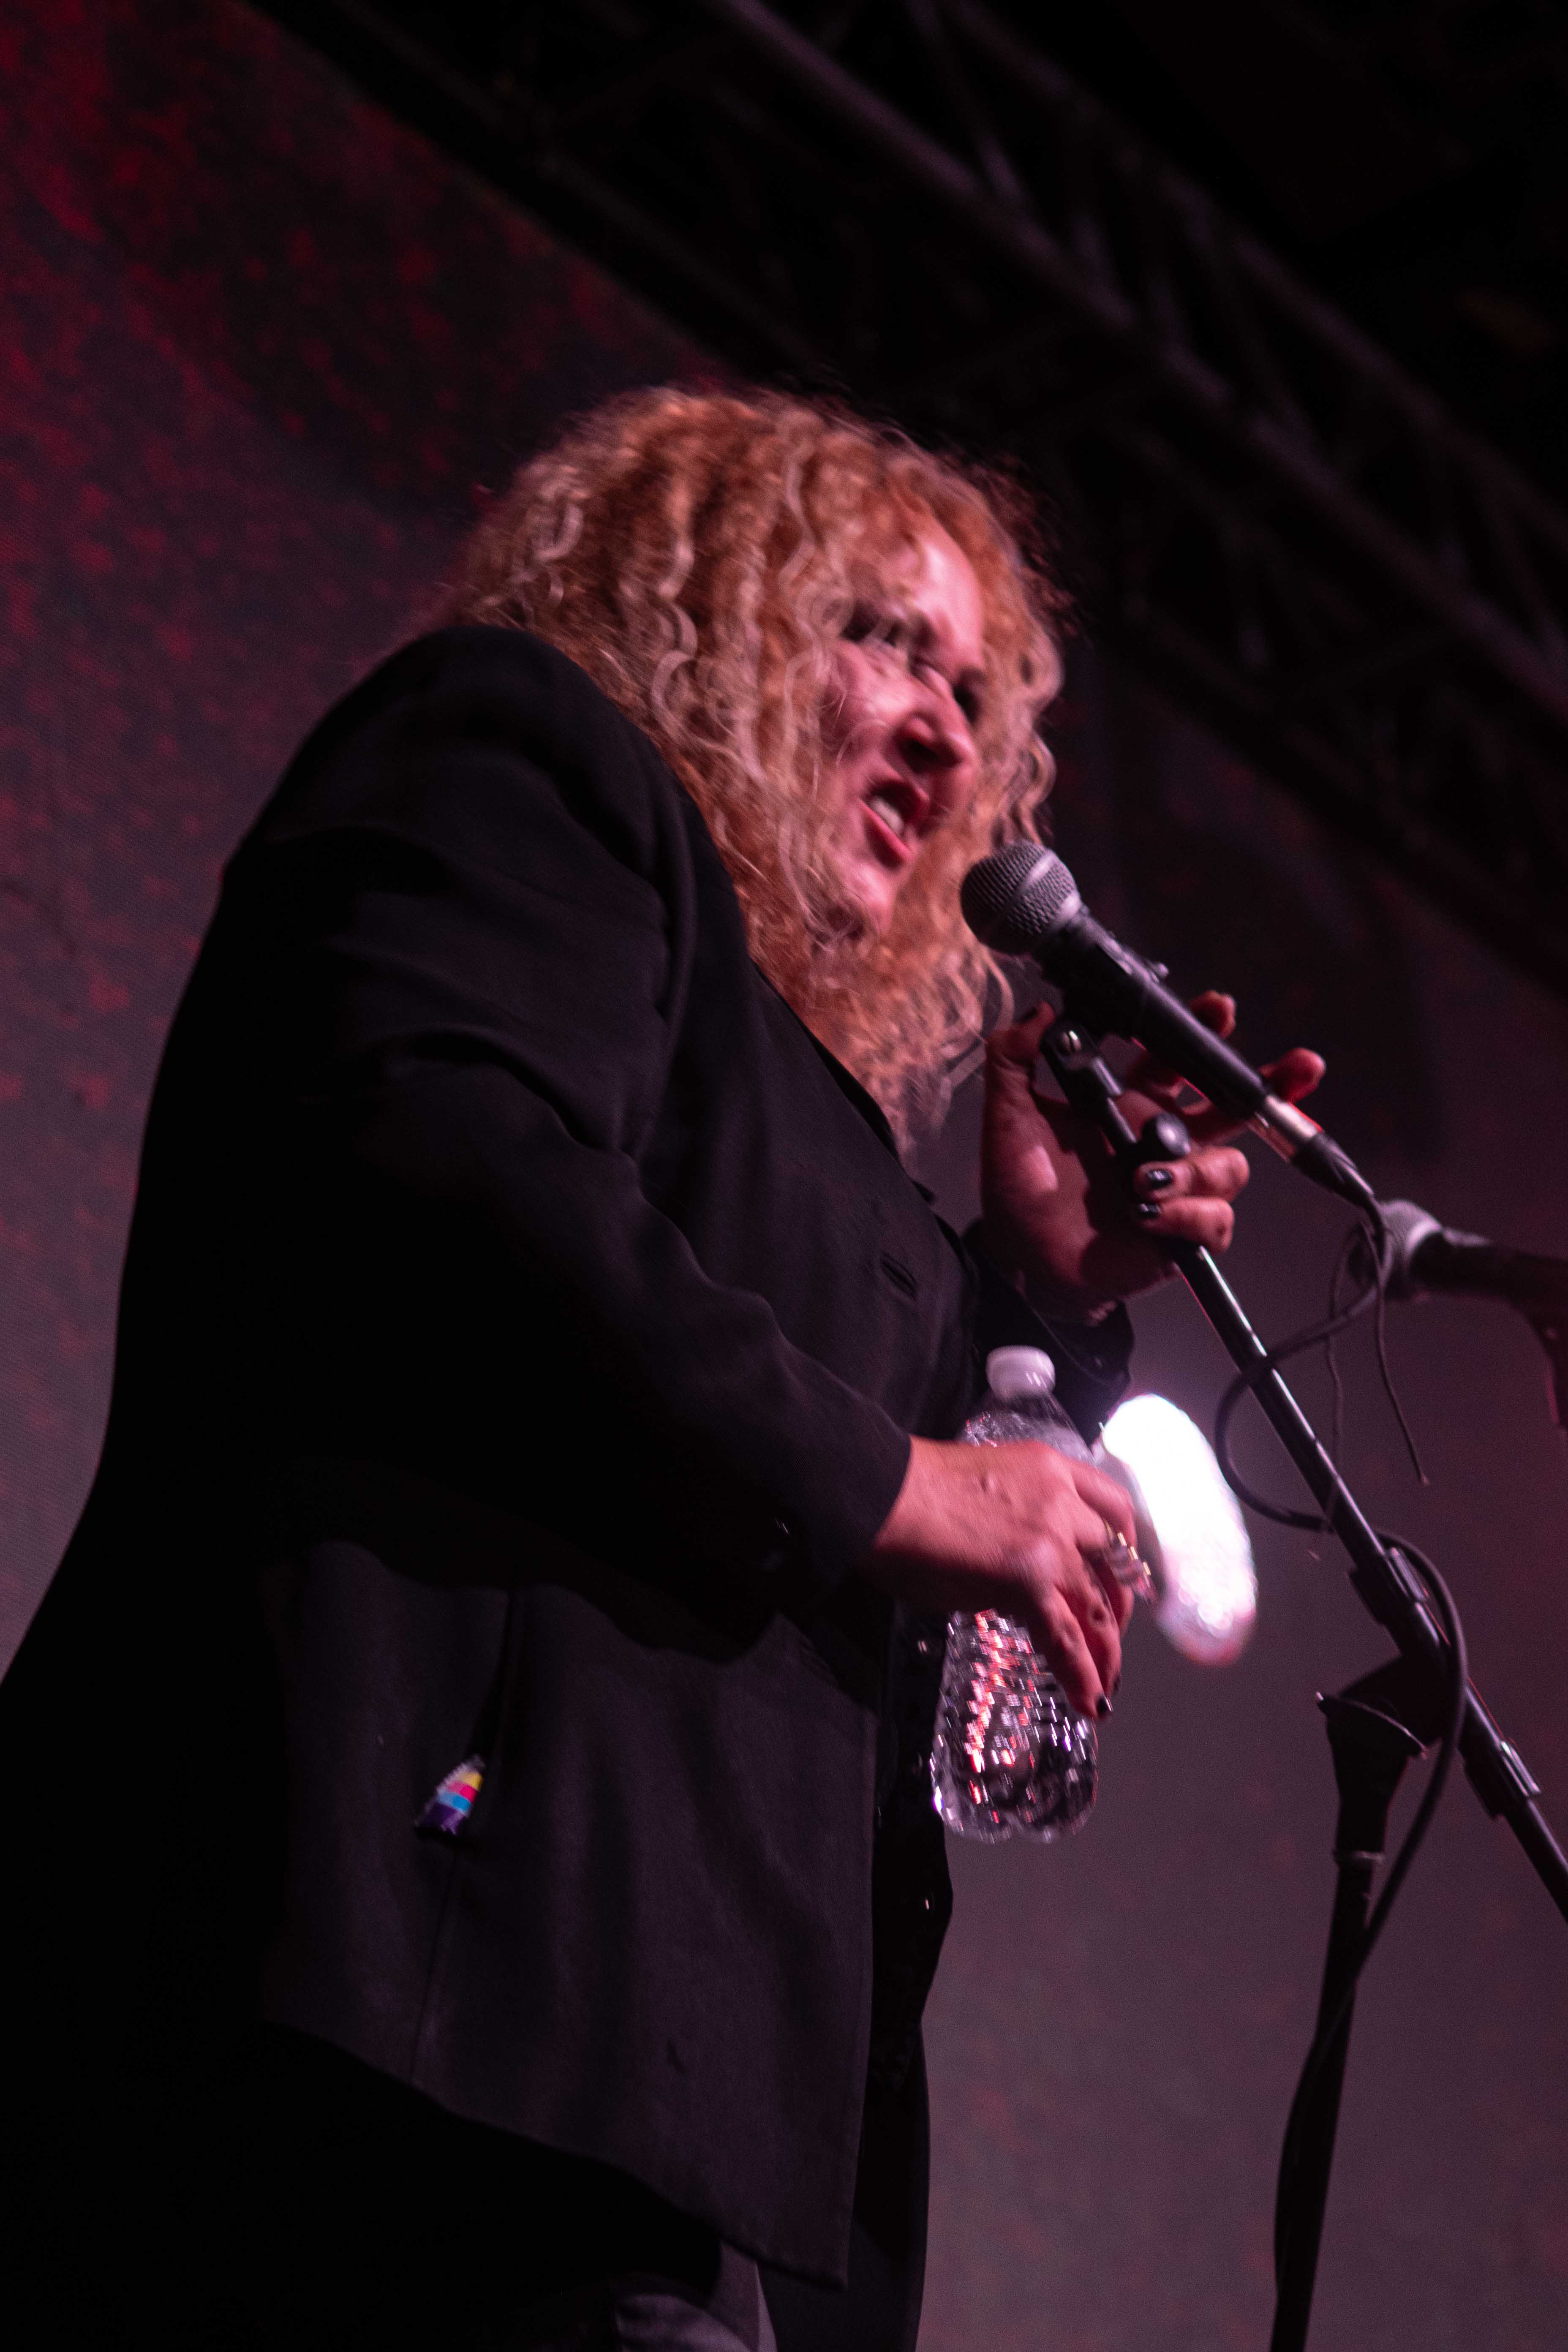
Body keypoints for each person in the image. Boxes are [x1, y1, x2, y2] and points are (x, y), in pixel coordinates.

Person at [0, 389, 1320, 2350]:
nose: (948, 733)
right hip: (383, 2022)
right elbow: (447, 1161)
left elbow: (833, 1504)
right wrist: (899, 1483)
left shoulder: (804, 1122)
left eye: (976, 693)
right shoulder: (515, 753)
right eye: (888, 640)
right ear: (707, 613)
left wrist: (1038, 1293)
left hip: (629, 2131)